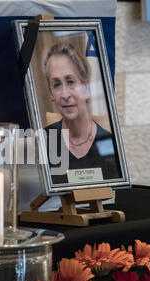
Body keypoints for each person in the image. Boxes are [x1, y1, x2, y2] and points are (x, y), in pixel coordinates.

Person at [43, 41, 120, 184]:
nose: (65, 94)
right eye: (57, 85)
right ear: (51, 94)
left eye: (71, 82)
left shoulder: (109, 144)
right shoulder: (41, 142)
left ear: (87, 87)